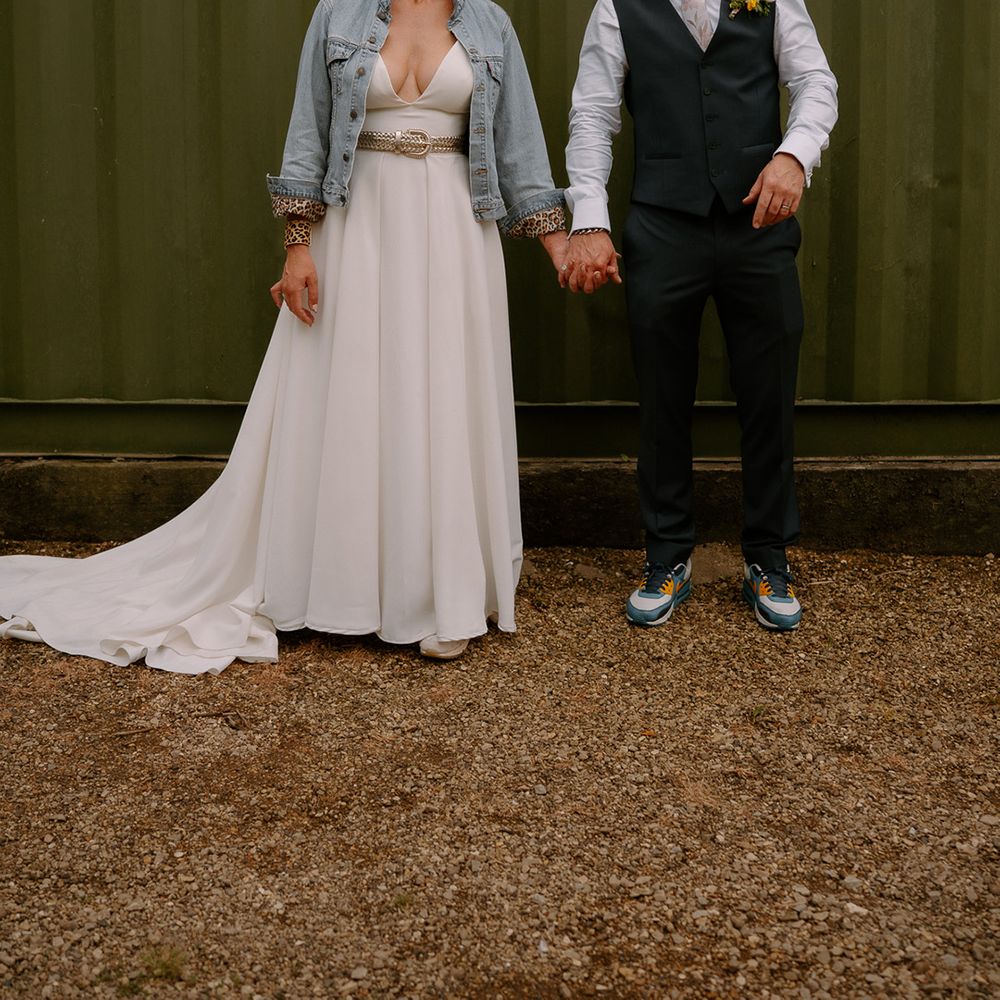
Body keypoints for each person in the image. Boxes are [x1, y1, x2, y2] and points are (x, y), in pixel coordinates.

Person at [0, 0, 567, 672]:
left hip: (454, 236)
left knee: (441, 399)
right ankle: (337, 586)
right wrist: (299, 249)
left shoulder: (489, 23)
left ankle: (441, 596)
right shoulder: (339, 15)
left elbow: (521, 149)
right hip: (358, 231)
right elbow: (309, 133)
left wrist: (562, 248)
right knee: (351, 400)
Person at [563, 0, 837, 631]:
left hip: (759, 224)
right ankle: (666, 556)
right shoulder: (618, 7)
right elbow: (593, 115)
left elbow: (815, 81)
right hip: (662, 225)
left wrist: (795, 156)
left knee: (768, 391)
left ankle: (768, 556)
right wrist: (591, 219)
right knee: (662, 394)